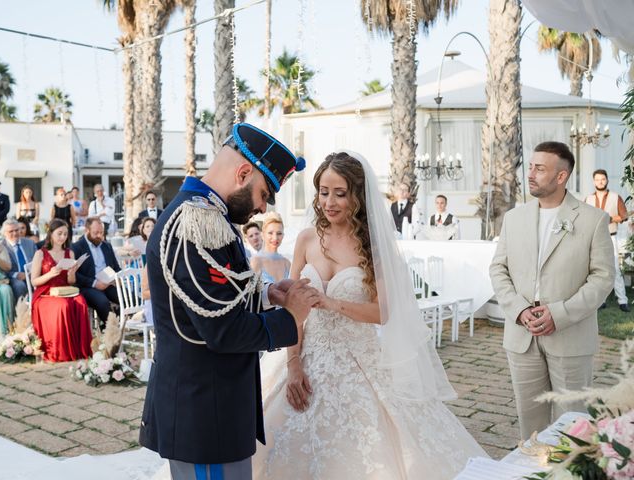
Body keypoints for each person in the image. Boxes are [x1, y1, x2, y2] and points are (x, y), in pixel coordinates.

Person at [253, 151, 486, 479]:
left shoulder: (371, 246)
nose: (329, 202)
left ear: (357, 196)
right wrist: (293, 366)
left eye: (340, 193)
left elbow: (383, 312)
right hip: (306, 357)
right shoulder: (306, 239)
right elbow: (294, 308)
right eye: (323, 192)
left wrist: (331, 303)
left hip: (359, 360)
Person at [141, 122, 317, 480]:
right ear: (243, 172)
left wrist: (268, 294)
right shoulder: (196, 222)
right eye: (264, 194)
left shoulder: (209, 217)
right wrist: (292, 318)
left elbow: (217, 296)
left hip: (213, 407)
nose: (261, 207)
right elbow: (221, 330)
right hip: (204, 411)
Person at [489, 141, 615, 441]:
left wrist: (559, 314)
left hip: (570, 337)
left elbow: (603, 277)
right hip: (522, 337)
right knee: (530, 423)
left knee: (572, 424)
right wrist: (519, 310)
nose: (530, 174)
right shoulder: (513, 218)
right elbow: (498, 269)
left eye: (540, 169)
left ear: (561, 177)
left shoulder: (593, 220)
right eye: (531, 167)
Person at [30, 218, 92, 362]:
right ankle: (60, 351)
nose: (63, 237)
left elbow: (71, 282)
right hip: (45, 293)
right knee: (63, 305)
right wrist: (50, 274)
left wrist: (71, 273)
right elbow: (34, 281)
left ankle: (79, 349)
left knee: (81, 301)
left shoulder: (69, 253)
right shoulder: (40, 253)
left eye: (65, 234)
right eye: (59, 233)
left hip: (65, 290)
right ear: (50, 234)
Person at [585, 169, 631, 312]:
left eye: (603, 179)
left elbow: (624, 216)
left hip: (611, 237)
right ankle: (600, 301)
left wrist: (609, 219)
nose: (600, 181)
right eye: (598, 179)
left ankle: (622, 301)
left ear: (607, 180)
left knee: (615, 269)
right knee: (596, 270)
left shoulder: (615, 197)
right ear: (594, 181)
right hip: (594, 239)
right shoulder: (588, 199)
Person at [71, 217, 121, 330]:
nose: (99, 236)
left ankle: (117, 326)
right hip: (88, 286)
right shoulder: (76, 247)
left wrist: (117, 278)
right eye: (96, 233)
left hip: (108, 283)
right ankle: (111, 332)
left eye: (101, 233)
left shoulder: (106, 246)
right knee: (102, 302)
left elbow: (116, 267)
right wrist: (95, 283)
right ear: (87, 230)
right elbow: (75, 275)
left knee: (126, 298)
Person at [1, 219, 37, 302]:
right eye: (11, 231)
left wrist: (31, 272)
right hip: (14, 277)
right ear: (5, 234)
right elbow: (2, 269)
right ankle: (22, 311)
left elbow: (38, 260)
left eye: (16, 230)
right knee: (19, 285)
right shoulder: (1, 247)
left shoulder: (30, 243)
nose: (15, 233)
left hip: (32, 274)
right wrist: (15, 274)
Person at [250, 213, 290, 283]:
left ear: (283, 235)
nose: (275, 238)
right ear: (262, 235)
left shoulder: (287, 263)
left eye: (279, 233)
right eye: (270, 233)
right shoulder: (256, 261)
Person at [0, 241, 14, 338]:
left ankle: (8, 328)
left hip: (1, 282)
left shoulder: (0, 248)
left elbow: (8, 267)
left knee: (6, 290)